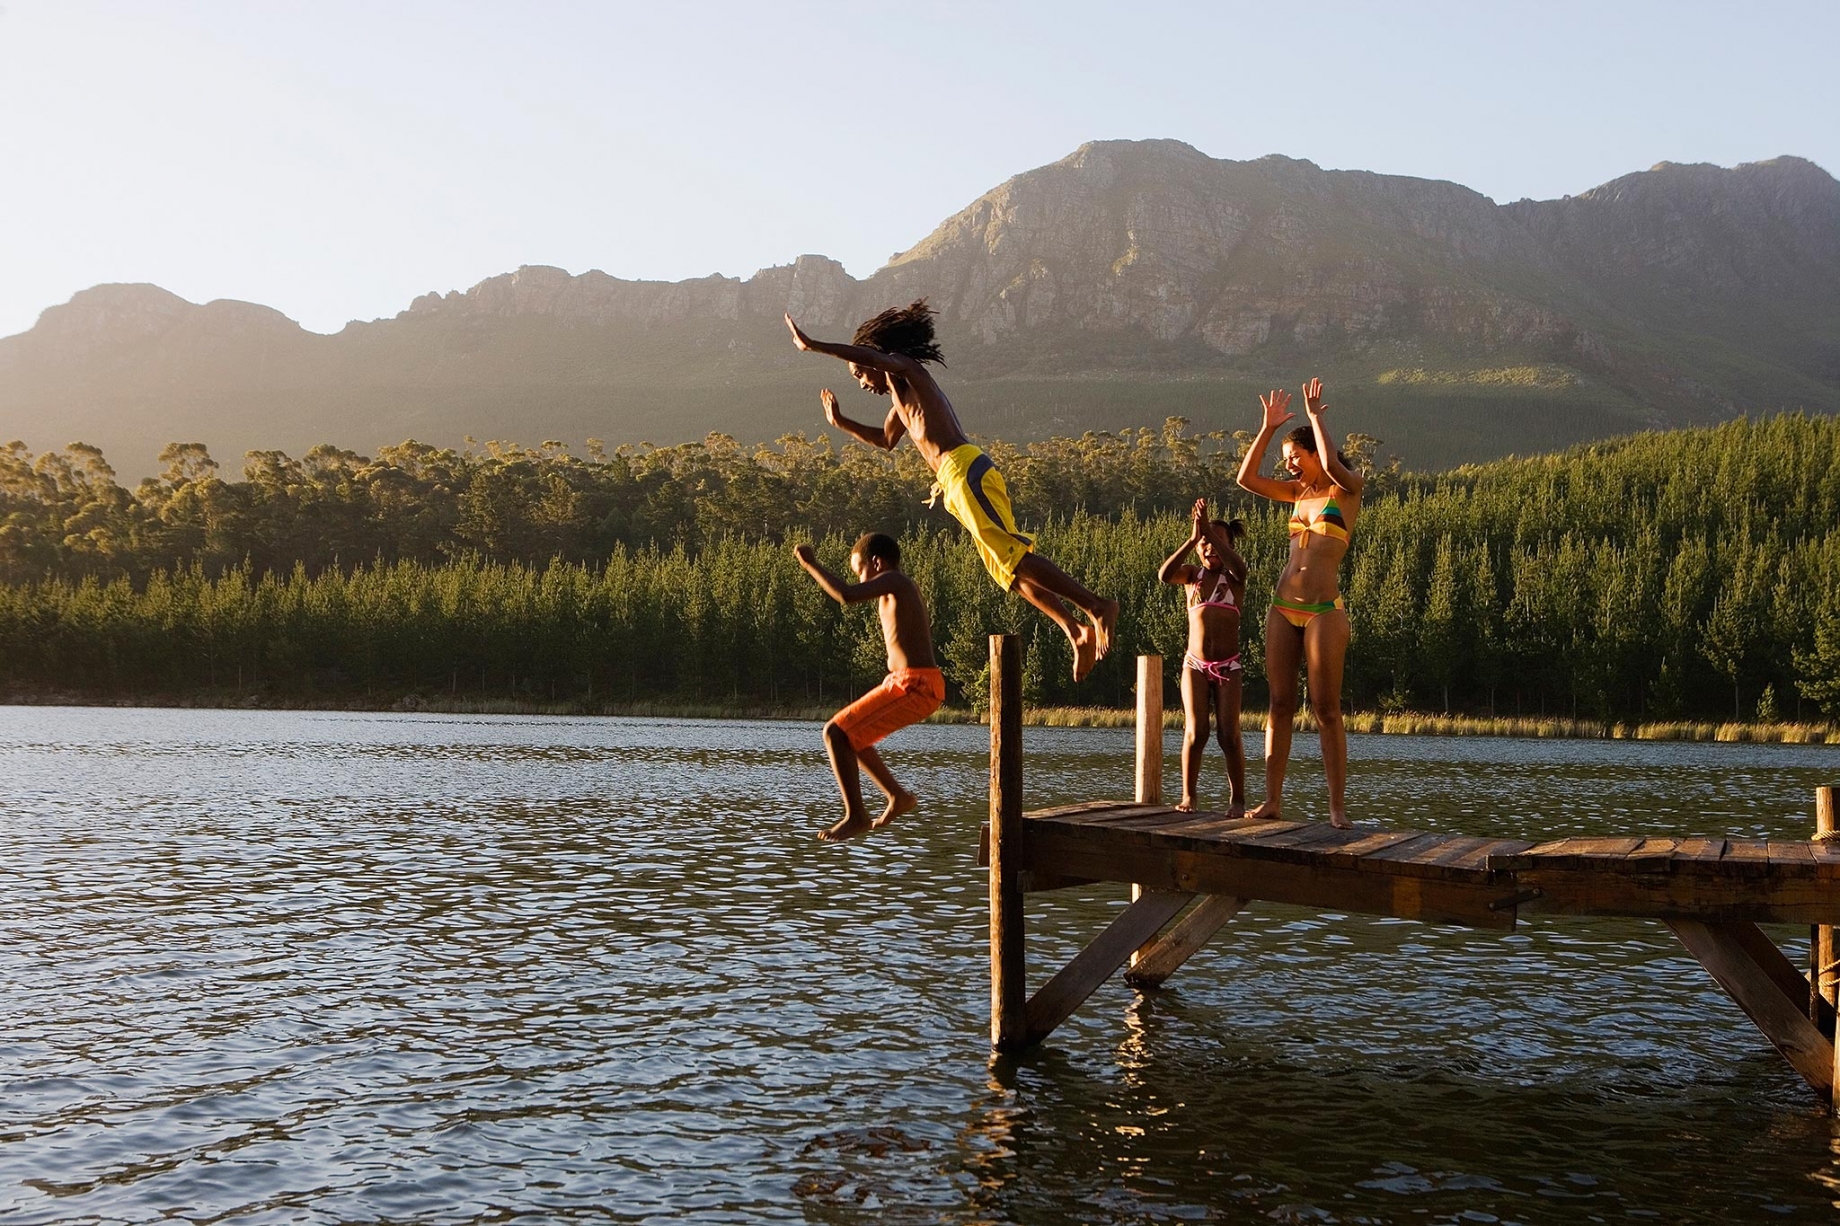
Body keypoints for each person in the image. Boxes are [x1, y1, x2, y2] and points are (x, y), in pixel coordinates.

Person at [785, 301, 1118, 681]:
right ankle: (1075, 630)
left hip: (965, 470)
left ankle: (1097, 606)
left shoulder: (909, 371)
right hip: (955, 482)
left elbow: (872, 356)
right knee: (1006, 572)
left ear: (875, 358)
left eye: (861, 373)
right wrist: (841, 422)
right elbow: (885, 440)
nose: (862, 383)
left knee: (1012, 553)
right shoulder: (899, 400)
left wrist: (815, 346)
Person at [1235, 377, 1363, 828]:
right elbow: (1245, 479)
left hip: (1325, 612)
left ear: (1313, 454)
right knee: (1279, 704)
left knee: (1326, 709)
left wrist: (1314, 417)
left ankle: (1336, 808)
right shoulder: (1295, 494)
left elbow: (1330, 461)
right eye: (1286, 460)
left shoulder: (1346, 491)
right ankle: (1271, 800)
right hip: (1281, 607)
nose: (1289, 466)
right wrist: (1268, 429)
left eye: (1295, 458)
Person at [793, 533, 945, 843]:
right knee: (852, 738)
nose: (860, 580)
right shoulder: (895, 587)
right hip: (906, 681)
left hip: (917, 684)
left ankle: (857, 816)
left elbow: (847, 595)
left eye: (860, 570)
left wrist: (811, 565)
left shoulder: (897, 582)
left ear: (877, 563)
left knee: (835, 732)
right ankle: (897, 796)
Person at [1158, 497, 1249, 815]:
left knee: (1228, 734)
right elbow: (1164, 575)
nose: (1210, 548)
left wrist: (1210, 530)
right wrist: (1193, 538)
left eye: (1217, 543)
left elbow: (1240, 567)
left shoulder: (1234, 579)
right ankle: (1189, 795)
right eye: (1205, 544)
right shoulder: (1192, 576)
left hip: (1229, 665)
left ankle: (1237, 799)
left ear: (1228, 546)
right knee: (1197, 731)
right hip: (1195, 665)